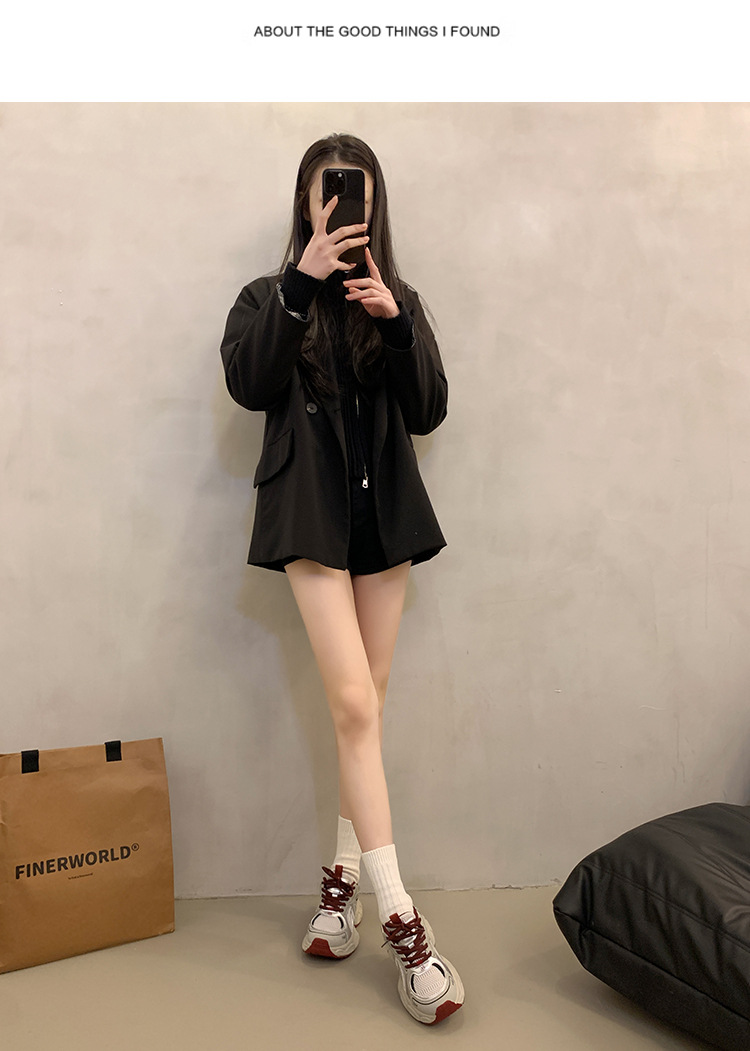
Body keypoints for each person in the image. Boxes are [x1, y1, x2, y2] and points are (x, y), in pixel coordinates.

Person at [219, 133, 464, 1025]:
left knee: (366, 705)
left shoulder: (397, 298)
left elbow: (430, 408)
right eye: (327, 194)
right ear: (307, 203)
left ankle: (340, 889)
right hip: (311, 520)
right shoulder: (267, 296)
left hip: (383, 519)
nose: (340, 209)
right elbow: (249, 384)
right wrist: (301, 283)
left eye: (353, 195)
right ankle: (405, 923)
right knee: (356, 706)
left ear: (373, 205)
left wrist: (395, 321)